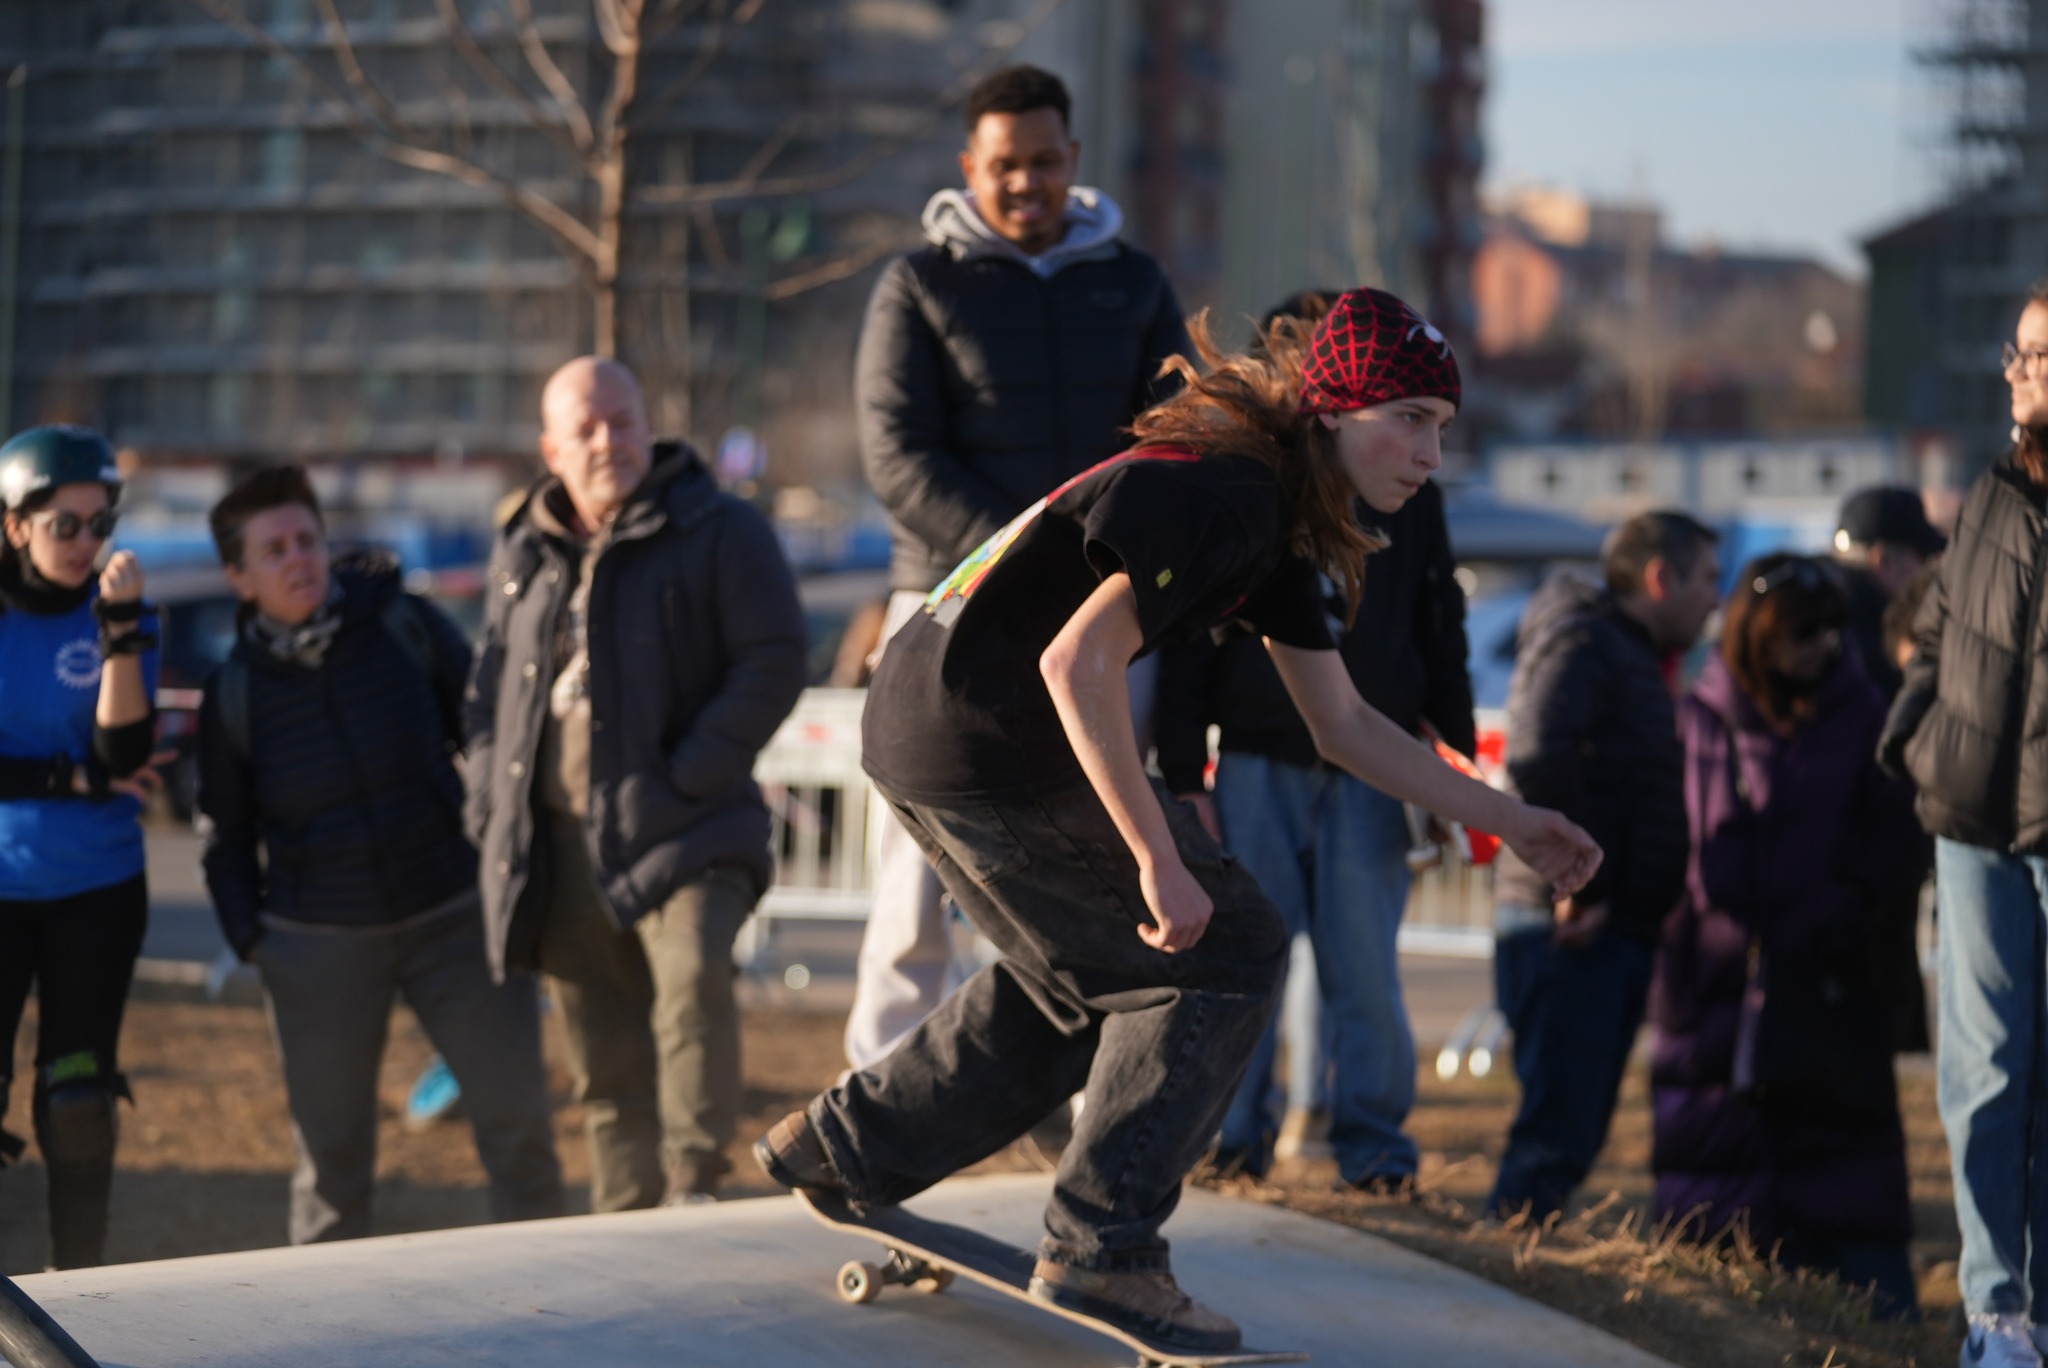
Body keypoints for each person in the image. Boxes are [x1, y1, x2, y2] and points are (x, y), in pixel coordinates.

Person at [755, 289, 1600, 1353]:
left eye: (1443, 426)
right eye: (1411, 420)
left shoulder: (1273, 511)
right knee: (1227, 947)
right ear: (1332, 410)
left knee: (1086, 977)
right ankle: (1102, 1247)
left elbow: (1341, 725)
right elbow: (1078, 663)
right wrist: (1160, 859)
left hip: (934, 714)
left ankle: (844, 1144)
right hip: (985, 728)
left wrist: (1511, 818)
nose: (1432, 454)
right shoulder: (1230, 493)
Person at [847, 62, 1191, 1070]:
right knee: (913, 878)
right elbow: (894, 454)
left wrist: (1100, 566)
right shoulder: (919, 284)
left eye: (1044, 161)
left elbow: (1173, 440)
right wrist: (1020, 558)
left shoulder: (1136, 283)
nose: (1025, 182)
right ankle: (878, 1095)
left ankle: (1098, 1103)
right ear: (970, 166)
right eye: (1005, 165)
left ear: (1072, 159)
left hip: (1100, 616)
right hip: (945, 607)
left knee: (1109, 858)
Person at [465, 357, 806, 1208]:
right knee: (603, 1058)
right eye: (583, 429)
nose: (606, 441)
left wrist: (689, 772)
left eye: (621, 421)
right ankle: (624, 1220)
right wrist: (489, 803)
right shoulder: (524, 549)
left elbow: (774, 659)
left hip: (690, 829)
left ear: (649, 425)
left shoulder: (723, 528)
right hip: (559, 843)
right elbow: (488, 690)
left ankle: (694, 1191)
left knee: (691, 988)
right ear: (551, 449)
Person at [193, 466, 562, 1244]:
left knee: (520, 1138)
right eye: (274, 550)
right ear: (239, 577)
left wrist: (499, 855)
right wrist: (254, 940)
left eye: (307, 540)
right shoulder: (231, 691)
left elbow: (487, 734)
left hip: (457, 917)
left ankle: (549, 1303)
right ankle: (328, 1318)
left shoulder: (403, 623)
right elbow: (223, 832)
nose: (298, 559)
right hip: (317, 943)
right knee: (331, 1175)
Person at [1156, 290, 1475, 1187]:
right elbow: (1188, 635)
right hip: (1259, 753)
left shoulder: (1409, 489)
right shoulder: (1255, 486)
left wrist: (1451, 762)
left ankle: (1374, 1151)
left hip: (1377, 766)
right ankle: (1233, 1142)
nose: (1425, 446)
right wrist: (1185, 773)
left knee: (1364, 968)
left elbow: (1439, 621)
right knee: (1249, 956)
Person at [1651, 553, 1921, 1319]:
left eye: (1831, 631)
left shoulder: (1864, 715)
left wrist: (1838, 910)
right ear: (1756, 634)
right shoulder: (1701, 717)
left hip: (1831, 988)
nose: (1819, 647)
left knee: (1851, 1200)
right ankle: (1712, 1318)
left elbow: (1894, 841)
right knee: (1718, 1215)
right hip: (1719, 992)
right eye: (1801, 632)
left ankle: (1877, 1323)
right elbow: (1695, 850)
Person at [1879, 279, 2048, 1368]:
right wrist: (1912, 734)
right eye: (2016, 352)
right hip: (1974, 817)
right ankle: (1997, 1316)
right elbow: (1935, 629)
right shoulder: (1991, 488)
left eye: (2039, 355)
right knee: (1981, 1073)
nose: (2017, 371)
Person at [1487, 509, 1721, 1223]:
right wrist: (1582, 885)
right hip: (1573, 925)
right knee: (1556, 1128)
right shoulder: (1588, 640)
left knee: (1571, 1123)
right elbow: (1538, 755)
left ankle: (1520, 1249)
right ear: (1660, 577)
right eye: (1707, 579)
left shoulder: (1624, 649)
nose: (1715, 599)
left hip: (1600, 920)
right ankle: (1511, 1258)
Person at [0, 424, 161, 1269]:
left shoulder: (122, 611)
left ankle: (80, 1288)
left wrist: (120, 629)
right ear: (14, 524)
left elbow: (122, 755)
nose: (86, 542)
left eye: (101, 523)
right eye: (66, 524)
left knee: (78, 1100)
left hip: (97, 890)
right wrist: (68, 778)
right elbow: (89, 771)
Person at [1832, 485, 1946, 702]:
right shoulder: (1871, 653)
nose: (1930, 574)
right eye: (1924, 558)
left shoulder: (1827, 626)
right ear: (1882, 562)